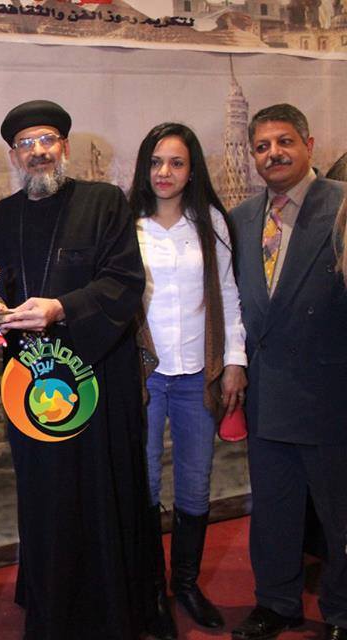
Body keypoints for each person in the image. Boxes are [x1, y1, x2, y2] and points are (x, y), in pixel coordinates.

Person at [0, 99, 150, 640]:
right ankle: (52, 607)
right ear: (14, 156)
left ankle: (111, 612)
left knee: (102, 493)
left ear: (65, 147)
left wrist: (60, 308)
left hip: (99, 377)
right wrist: (0, 314)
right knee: (46, 497)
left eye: (47, 140)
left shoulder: (104, 202)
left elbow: (124, 281)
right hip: (34, 383)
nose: (38, 152)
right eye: (26, 144)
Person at [228, 103, 347, 640]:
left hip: (330, 392)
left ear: (308, 145)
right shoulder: (242, 219)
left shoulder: (342, 206)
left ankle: (341, 610)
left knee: (340, 514)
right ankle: (276, 603)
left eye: (284, 142)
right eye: (262, 146)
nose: (272, 154)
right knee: (273, 510)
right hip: (267, 395)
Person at [129, 122, 248, 637]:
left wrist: (235, 361)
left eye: (176, 163)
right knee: (146, 484)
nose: (165, 172)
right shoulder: (127, 224)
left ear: (192, 170)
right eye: (156, 162)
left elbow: (229, 294)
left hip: (199, 375)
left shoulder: (212, 223)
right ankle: (153, 592)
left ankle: (187, 585)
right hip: (146, 377)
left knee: (196, 483)